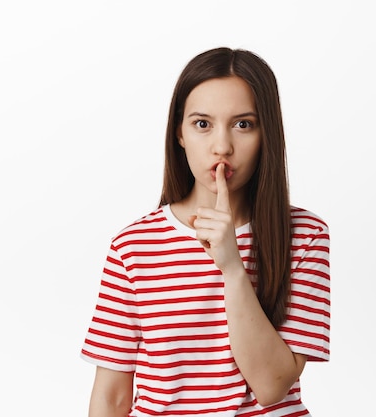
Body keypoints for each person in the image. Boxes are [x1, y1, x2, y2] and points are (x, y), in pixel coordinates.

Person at [80, 46, 330, 416]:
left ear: (267, 135)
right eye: (202, 124)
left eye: (243, 124)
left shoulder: (304, 236)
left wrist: (231, 266)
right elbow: (111, 397)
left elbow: (272, 385)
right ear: (179, 133)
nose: (222, 147)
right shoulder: (133, 247)